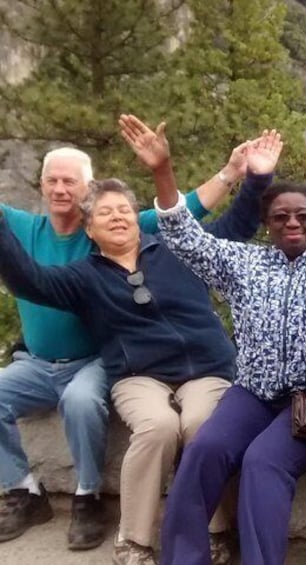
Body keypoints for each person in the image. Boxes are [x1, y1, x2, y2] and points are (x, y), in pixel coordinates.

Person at [0, 116, 280, 565]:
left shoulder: (179, 246)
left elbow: (239, 224)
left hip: (206, 370)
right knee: (158, 427)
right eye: (104, 213)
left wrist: (258, 175)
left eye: (124, 210)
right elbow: (30, 281)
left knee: (201, 426)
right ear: (88, 230)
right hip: (138, 377)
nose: (116, 217)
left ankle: (214, 529)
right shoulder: (84, 276)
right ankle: (134, 542)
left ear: (139, 217)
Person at [153, 123, 306, 565]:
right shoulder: (245, 262)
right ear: (266, 223)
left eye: (303, 216)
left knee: (262, 464)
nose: (292, 222)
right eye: (280, 216)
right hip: (252, 394)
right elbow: (185, 240)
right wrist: (163, 169)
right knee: (202, 452)